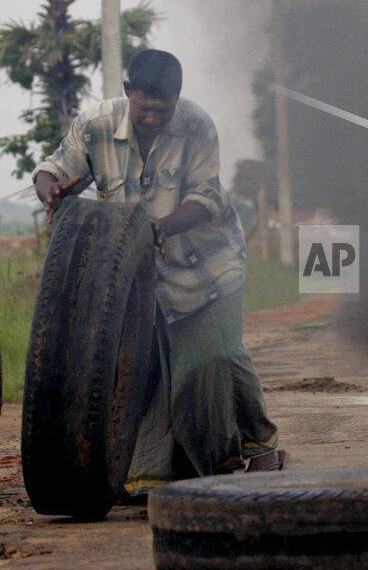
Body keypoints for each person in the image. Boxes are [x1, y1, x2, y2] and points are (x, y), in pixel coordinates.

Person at [32, 49, 285, 497]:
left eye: (163, 107)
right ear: (129, 91)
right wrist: (52, 191)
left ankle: (259, 443)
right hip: (140, 276)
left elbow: (206, 197)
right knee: (146, 368)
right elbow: (53, 168)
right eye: (145, 105)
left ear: (178, 98)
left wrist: (163, 227)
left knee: (216, 356)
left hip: (208, 263)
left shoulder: (197, 125)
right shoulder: (96, 125)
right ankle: (158, 467)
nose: (153, 116)